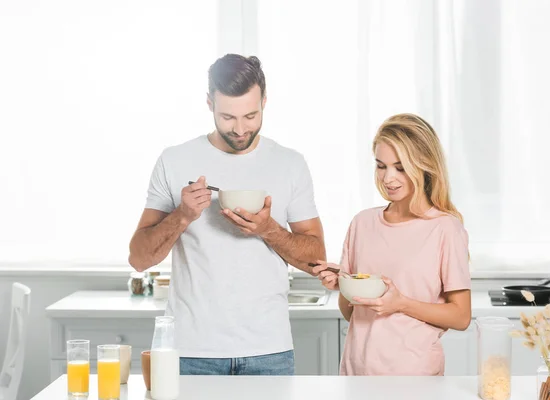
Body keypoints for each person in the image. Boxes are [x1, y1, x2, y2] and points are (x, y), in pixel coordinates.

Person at [128, 54, 326, 375]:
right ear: (209, 103)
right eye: (227, 117)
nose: (239, 129)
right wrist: (182, 215)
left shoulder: (290, 164)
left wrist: (268, 230)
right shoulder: (175, 160)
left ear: (265, 100)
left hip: (269, 351)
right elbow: (138, 259)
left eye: (250, 115)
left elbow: (316, 259)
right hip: (191, 352)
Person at [313, 113, 471, 376]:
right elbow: (351, 314)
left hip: (414, 377)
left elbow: (461, 317)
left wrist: (401, 303)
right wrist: (343, 285)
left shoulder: (445, 228)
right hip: (357, 373)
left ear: (424, 166)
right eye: (380, 165)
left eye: (400, 167)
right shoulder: (362, 223)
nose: (388, 178)